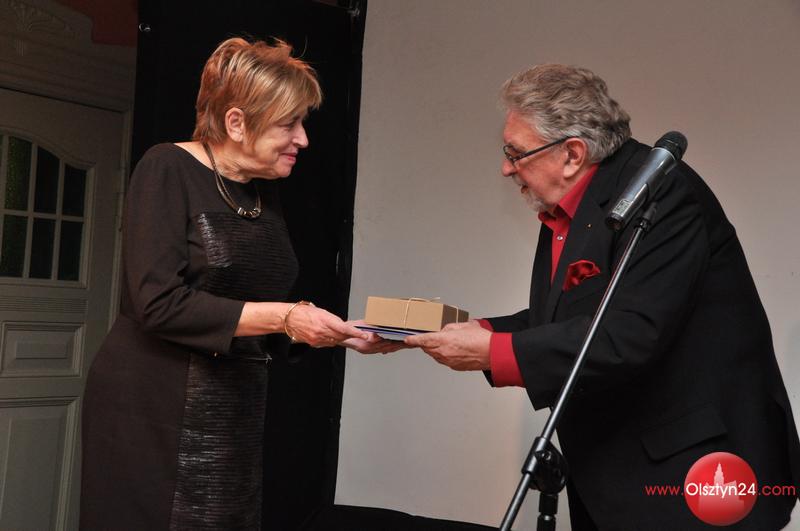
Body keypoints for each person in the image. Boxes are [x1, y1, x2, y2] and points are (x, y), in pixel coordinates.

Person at [405, 64, 800, 529]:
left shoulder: (660, 194)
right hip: (620, 478)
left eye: (516, 153)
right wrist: (475, 332)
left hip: (695, 473)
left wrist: (494, 351)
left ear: (572, 153)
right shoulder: (571, 203)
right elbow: (569, 317)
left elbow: (629, 333)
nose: (506, 168)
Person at [80, 37, 397, 530]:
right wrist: (285, 317)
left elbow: (254, 307)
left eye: (303, 123)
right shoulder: (166, 167)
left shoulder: (263, 191)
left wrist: (336, 333)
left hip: (234, 407)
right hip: (154, 408)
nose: (303, 140)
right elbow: (157, 304)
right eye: (289, 124)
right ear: (236, 122)